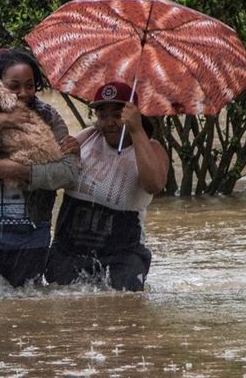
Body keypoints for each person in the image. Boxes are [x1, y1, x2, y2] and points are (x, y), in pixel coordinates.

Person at [0, 48, 80, 288]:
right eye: (14, 86)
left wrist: (23, 172)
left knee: (23, 314)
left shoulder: (49, 117)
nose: (23, 93)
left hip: (29, 235)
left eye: (30, 85)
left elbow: (70, 173)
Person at [44, 81, 169, 291]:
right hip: (68, 252)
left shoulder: (152, 148)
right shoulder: (87, 138)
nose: (110, 122)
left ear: (133, 114)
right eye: (103, 116)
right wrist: (69, 152)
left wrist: (137, 130)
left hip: (122, 257)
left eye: (118, 115)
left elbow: (154, 184)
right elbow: (51, 173)